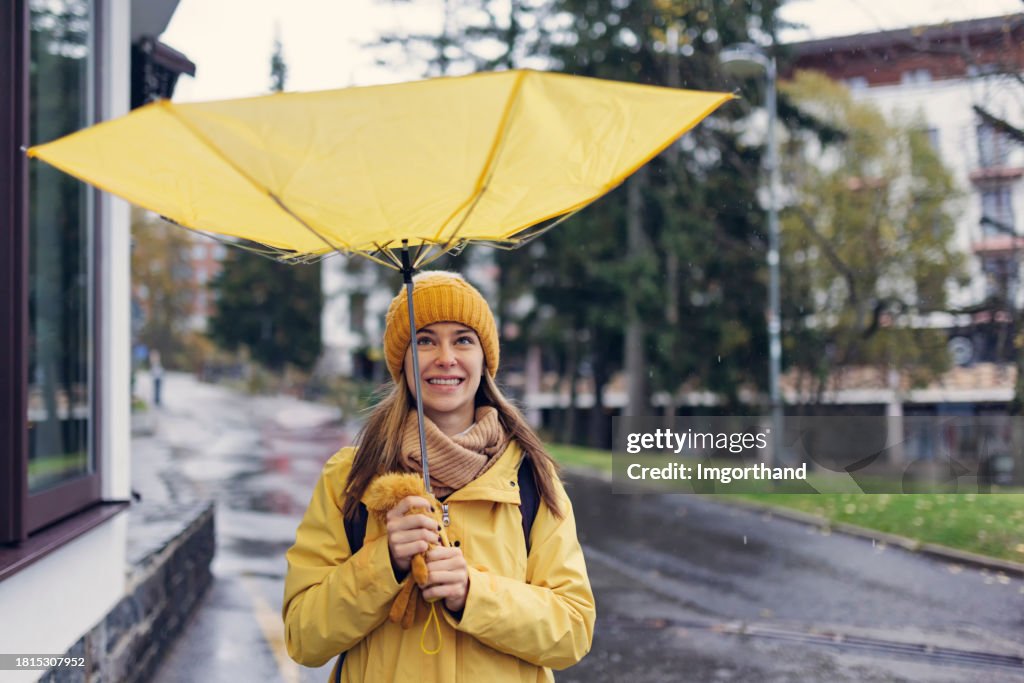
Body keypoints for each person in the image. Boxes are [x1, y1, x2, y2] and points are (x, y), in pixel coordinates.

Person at [283, 271, 595, 682]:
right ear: (402, 360)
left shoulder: (532, 479)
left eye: (463, 339)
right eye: (425, 339)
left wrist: (474, 595)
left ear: (484, 359)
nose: (445, 356)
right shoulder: (349, 478)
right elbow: (303, 638)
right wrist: (386, 563)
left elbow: (572, 630)